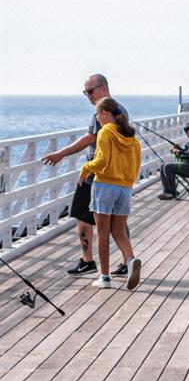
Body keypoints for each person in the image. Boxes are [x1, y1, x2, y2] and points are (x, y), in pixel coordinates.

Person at [43, 74, 131, 277]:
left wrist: (62, 153)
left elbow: (90, 138)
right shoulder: (120, 111)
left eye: (90, 91)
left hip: (97, 176)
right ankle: (128, 261)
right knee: (117, 223)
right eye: (85, 92)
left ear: (103, 89)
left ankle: (90, 262)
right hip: (118, 177)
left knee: (83, 217)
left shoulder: (103, 113)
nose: (88, 95)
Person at [78, 97, 142, 290]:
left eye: (97, 114)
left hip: (105, 186)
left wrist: (85, 168)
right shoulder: (131, 137)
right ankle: (130, 260)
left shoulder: (105, 131)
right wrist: (126, 183)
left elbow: (101, 161)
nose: (97, 118)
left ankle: (104, 277)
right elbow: (136, 166)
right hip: (124, 189)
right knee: (119, 231)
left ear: (105, 113)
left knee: (103, 233)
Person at [158, 121, 189, 199]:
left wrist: (177, 151)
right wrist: (178, 148)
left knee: (168, 167)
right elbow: (188, 153)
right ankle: (167, 192)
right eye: (187, 129)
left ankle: (172, 193)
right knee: (162, 167)